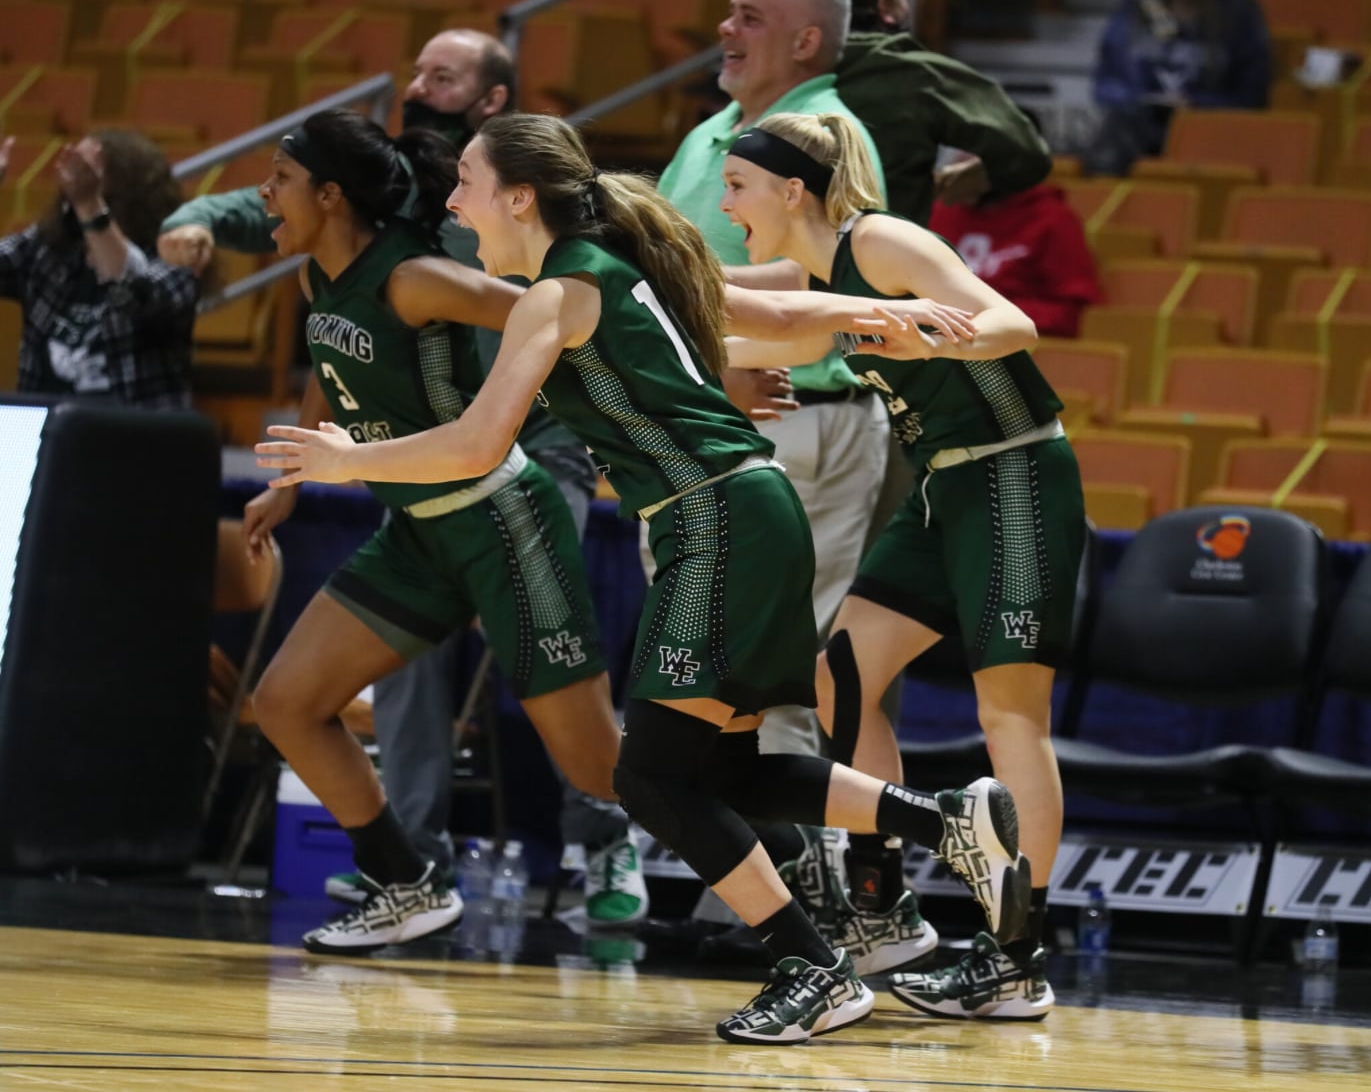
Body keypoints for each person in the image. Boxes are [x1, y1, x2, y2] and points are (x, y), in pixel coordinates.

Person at [254, 111, 1033, 1044]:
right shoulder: (609, 272)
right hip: (745, 510)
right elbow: (775, 318)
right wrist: (877, 312)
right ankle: (948, 823)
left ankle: (811, 966)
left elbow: (474, 444)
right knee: (723, 769)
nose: (453, 204)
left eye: (466, 182)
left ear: (518, 196)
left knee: (653, 779)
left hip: (718, 519)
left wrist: (344, 464)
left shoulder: (559, 291)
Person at [158, 29, 650, 926]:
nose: (264, 193)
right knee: (289, 702)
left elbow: (565, 314)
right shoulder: (319, 281)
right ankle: (407, 881)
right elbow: (331, 376)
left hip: (502, 515)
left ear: (332, 195)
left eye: (279, 178)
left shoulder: (417, 279)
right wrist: (293, 477)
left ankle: (792, 856)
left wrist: (701, 366)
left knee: (596, 764)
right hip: (418, 528)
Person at [720, 111, 1083, 1020]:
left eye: (737, 187)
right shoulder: (817, 277)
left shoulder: (879, 240)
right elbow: (737, 310)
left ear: (790, 189)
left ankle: (1015, 958)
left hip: (1014, 475)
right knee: (841, 672)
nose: (727, 206)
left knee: (1008, 714)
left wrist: (931, 334)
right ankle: (882, 906)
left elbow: (1015, 324)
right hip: (942, 489)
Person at [659, 0, 893, 765]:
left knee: (770, 677)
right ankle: (742, 875)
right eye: (729, 13)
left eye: (751, 18)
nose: (726, 28)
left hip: (792, 420)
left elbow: (821, 283)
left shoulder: (826, 135)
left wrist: (662, 285)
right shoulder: (711, 130)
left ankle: (803, 874)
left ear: (807, 41)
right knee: (697, 671)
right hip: (705, 424)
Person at [831, 0, 1054, 227]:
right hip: (881, 259)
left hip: (783, 262)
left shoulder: (786, 68)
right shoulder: (921, 76)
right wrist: (976, 176)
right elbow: (1027, 153)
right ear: (885, 5)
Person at [0, 129, 195, 409]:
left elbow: (135, 291)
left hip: (133, 438)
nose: (73, 180)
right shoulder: (46, 247)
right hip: (46, 432)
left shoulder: (178, 255)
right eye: (71, 168)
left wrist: (89, 204)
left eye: (88, 172)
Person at [1088, 0, 1270, 176]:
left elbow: (1252, 99)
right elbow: (1106, 82)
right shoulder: (1136, 8)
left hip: (1210, 141)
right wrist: (1142, 103)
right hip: (1136, 138)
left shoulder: (1238, 16)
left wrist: (1195, 105)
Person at [930, 136, 1104, 337]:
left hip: (1014, 347)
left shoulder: (1053, 219)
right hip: (938, 341)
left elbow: (1072, 314)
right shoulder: (941, 212)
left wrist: (987, 315)